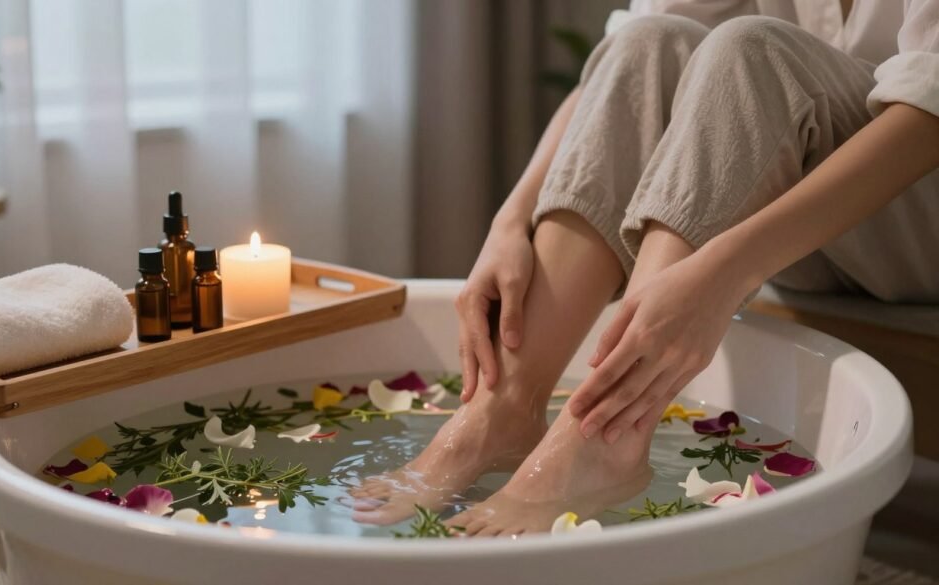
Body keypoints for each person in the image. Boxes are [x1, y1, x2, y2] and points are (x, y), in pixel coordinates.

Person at [349, 0, 939, 535]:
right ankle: (502, 410)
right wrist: (512, 219)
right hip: (806, 235)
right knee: (649, 41)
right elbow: (626, 67)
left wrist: (725, 271)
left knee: (754, 47)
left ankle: (600, 438)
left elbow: (928, 112)